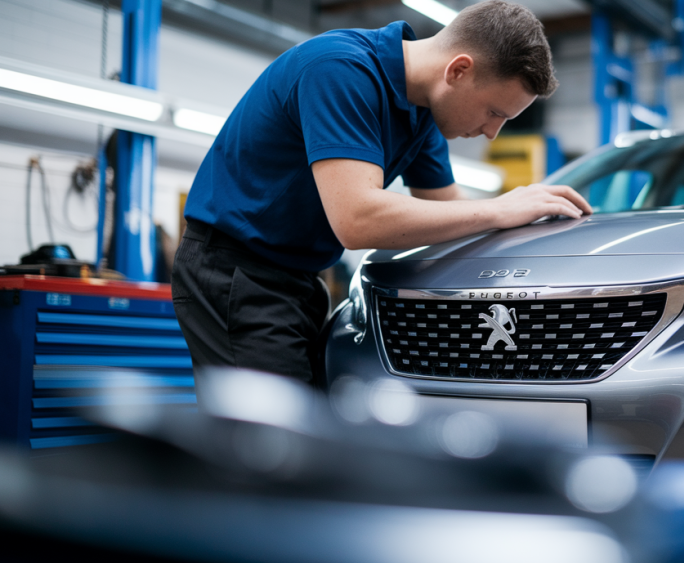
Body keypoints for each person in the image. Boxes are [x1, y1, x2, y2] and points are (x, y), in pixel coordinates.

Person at [172, 1, 590, 387]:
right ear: (458, 70)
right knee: (271, 448)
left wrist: (532, 228)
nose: (492, 132)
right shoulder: (339, 69)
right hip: (235, 273)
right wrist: (499, 208)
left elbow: (450, 214)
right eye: (495, 112)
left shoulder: (423, 112)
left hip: (298, 279)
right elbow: (358, 219)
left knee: (311, 437)